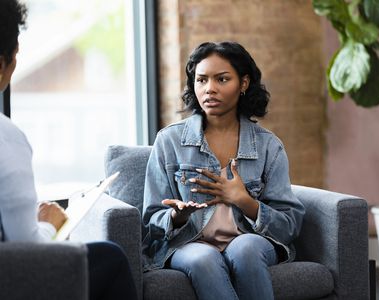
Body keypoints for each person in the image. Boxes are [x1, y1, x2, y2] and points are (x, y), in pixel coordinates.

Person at [142, 41, 306, 300]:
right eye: (201, 80)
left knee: (245, 249)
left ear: (243, 83)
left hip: (250, 239)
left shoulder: (268, 146)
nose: (209, 89)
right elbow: (150, 221)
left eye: (222, 79)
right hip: (189, 243)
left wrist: (244, 201)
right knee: (203, 258)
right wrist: (176, 218)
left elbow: (289, 226)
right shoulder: (168, 141)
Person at [0, 1, 138, 299]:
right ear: (2, 65)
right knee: (110, 258)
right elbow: (30, 254)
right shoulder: (6, 137)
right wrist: (50, 225)